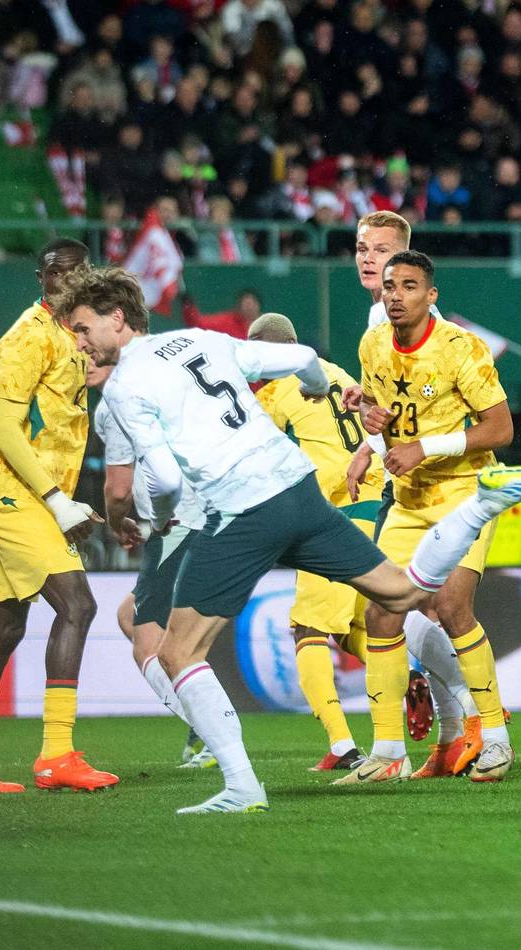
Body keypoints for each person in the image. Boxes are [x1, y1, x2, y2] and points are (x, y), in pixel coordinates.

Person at [52, 265, 521, 813]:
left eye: (82, 328)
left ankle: (241, 786)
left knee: (177, 651)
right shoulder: (200, 340)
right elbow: (300, 358)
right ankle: (483, 505)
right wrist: (320, 387)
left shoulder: (124, 388)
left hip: (242, 509)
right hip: (300, 490)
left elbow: (167, 480)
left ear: (116, 318)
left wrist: (155, 516)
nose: (79, 342)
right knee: (402, 593)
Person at [0, 239, 117, 795]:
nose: (65, 281)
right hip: (12, 492)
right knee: (78, 605)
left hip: (27, 494)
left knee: (4, 628)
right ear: (41, 278)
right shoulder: (27, 336)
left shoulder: (73, 335)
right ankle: (56, 754)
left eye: (76, 272)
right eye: (56, 273)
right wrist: (57, 501)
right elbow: (5, 430)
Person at [355, 250, 514, 783]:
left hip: (464, 494)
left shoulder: (459, 347)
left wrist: (426, 447)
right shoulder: (373, 344)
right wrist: (371, 426)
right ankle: (386, 752)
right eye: (390, 286)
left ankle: (495, 739)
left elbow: (500, 429)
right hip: (408, 501)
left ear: (431, 295)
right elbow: (377, 412)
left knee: (451, 606)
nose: (396, 295)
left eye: (409, 285)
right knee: (380, 612)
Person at [249, 311, 382, 771]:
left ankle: (343, 745)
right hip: (378, 511)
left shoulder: (273, 394)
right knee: (356, 630)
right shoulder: (337, 373)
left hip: (334, 519)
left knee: (309, 630)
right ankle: (423, 681)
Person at [90, 359, 214, 769]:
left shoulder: (115, 402)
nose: (83, 358)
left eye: (89, 347)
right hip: (196, 518)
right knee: (133, 616)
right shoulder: (157, 384)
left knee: (149, 640)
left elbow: (118, 489)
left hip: (178, 524)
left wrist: (115, 522)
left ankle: (209, 730)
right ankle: (205, 726)